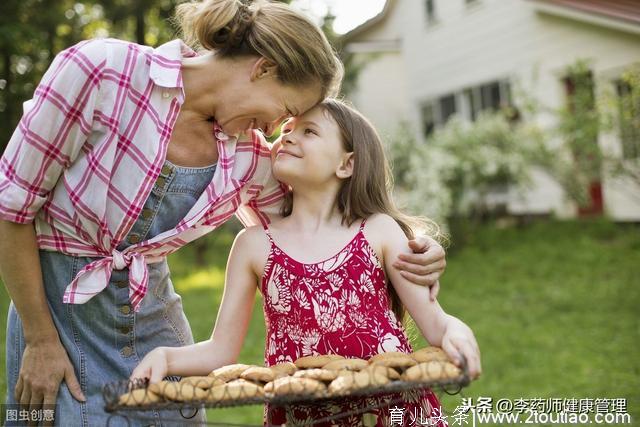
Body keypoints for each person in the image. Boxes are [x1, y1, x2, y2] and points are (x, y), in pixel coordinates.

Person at [0, 1, 448, 425]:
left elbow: (324, 238)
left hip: (156, 328)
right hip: (56, 317)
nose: (275, 130)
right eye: (286, 111)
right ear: (263, 68)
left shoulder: (252, 160)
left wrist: (414, 250)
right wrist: (40, 339)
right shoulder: (100, 73)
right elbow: (11, 209)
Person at [131, 99, 481, 426]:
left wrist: (459, 336)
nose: (288, 138)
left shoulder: (378, 232)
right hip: (304, 417)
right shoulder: (254, 246)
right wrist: (167, 356)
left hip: (391, 412)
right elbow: (221, 351)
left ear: (347, 163)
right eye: (285, 131)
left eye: (308, 132)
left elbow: (438, 325)